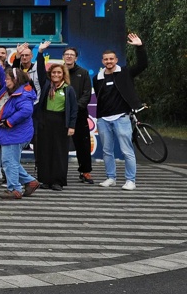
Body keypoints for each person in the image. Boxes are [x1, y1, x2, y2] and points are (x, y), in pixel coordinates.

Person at [93, 34, 147, 190]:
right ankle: (111, 178)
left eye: (111, 59)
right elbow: (99, 96)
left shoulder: (125, 72)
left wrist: (139, 46)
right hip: (103, 119)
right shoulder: (97, 77)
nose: (109, 61)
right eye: (106, 59)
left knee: (126, 150)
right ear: (102, 61)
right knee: (107, 151)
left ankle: (131, 180)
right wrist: (100, 117)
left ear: (116, 60)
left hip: (122, 118)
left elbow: (143, 64)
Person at [0, 65, 39, 200]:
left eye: (8, 79)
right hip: (12, 132)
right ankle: (30, 181)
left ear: (16, 80)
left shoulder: (22, 94)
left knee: (9, 162)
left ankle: (14, 189)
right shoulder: (14, 90)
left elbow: (26, 111)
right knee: (12, 161)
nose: (5, 81)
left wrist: (9, 122)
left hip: (15, 133)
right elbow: (3, 77)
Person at [34, 62, 78, 191]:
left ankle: (57, 181)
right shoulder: (47, 86)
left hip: (61, 122)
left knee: (59, 152)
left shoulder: (68, 89)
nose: (56, 75)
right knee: (45, 151)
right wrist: (40, 52)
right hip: (46, 121)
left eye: (59, 72)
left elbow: (74, 110)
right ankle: (45, 180)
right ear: (50, 74)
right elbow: (40, 71)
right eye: (54, 72)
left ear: (63, 75)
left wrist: (71, 126)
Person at [61, 47, 94, 183]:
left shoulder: (83, 73)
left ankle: (85, 172)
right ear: (63, 57)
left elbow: (87, 95)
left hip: (79, 115)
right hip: (60, 115)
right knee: (59, 145)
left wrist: (74, 108)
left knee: (83, 144)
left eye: (72, 55)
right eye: (67, 54)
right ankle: (59, 172)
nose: (69, 57)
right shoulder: (58, 72)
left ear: (76, 58)